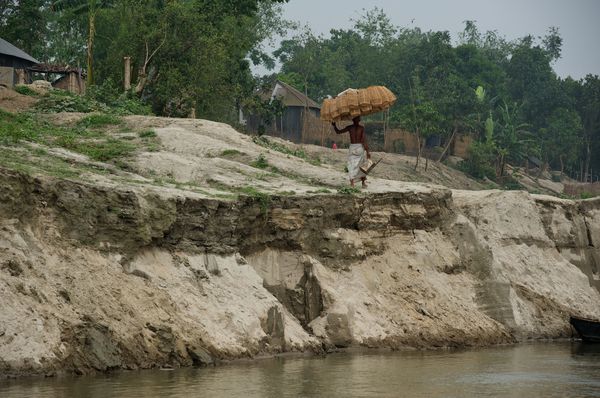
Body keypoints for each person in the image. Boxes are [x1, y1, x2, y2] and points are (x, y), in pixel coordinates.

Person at [332, 116, 370, 187]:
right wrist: (367, 151)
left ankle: (352, 183)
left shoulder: (350, 127)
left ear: (353, 120)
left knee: (351, 165)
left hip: (352, 147)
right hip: (359, 148)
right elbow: (363, 140)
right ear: (359, 120)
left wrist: (334, 126)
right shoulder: (361, 128)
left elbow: (338, 132)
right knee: (361, 165)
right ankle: (363, 183)